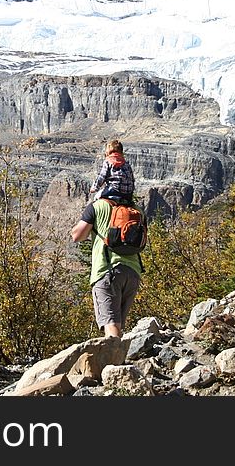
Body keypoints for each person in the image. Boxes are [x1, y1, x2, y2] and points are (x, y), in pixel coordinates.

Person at [70, 195, 143, 338]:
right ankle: (119, 357)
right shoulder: (137, 210)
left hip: (108, 271)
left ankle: (115, 360)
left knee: (111, 325)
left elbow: (77, 236)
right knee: (118, 324)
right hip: (133, 273)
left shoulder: (98, 206)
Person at [89, 139, 134, 204]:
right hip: (128, 195)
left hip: (113, 190)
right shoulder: (126, 164)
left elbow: (102, 176)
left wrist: (94, 188)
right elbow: (132, 180)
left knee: (96, 197)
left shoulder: (108, 161)